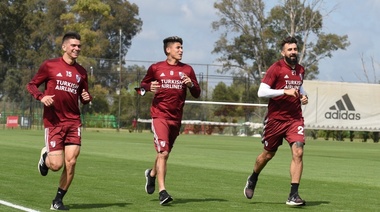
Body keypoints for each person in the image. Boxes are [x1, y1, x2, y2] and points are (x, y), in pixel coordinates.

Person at [26, 32, 92, 210]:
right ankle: (45, 156)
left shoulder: (82, 72)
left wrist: (86, 97)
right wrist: (41, 97)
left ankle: (57, 200)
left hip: (73, 122)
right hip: (54, 122)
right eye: (73, 45)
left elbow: (84, 97)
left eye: (79, 46)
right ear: (64, 47)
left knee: (71, 162)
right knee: (56, 165)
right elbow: (31, 85)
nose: (77, 48)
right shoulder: (50, 65)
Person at [243, 36, 308, 206]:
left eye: (295, 49)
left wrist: (303, 95)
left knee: (298, 152)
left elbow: (299, 86)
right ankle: (253, 177)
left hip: (295, 119)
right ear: (283, 52)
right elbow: (261, 92)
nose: (293, 52)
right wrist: (283, 92)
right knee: (268, 155)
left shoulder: (301, 69)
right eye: (290, 49)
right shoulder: (276, 68)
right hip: (275, 120)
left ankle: (293, 194)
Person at [138, 36, 201, 205]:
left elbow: (197, 93)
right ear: (168, 50)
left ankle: (151, 174)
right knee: (163, 153)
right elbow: (140, 88)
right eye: (178, 47)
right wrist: (147, 88)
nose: (181, 50)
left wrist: (191, 85)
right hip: (159, 116)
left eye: (182, 48)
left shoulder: (187, 70)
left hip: (176, 118)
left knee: (163, 153)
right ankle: (163, 192)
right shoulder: (156, 68)